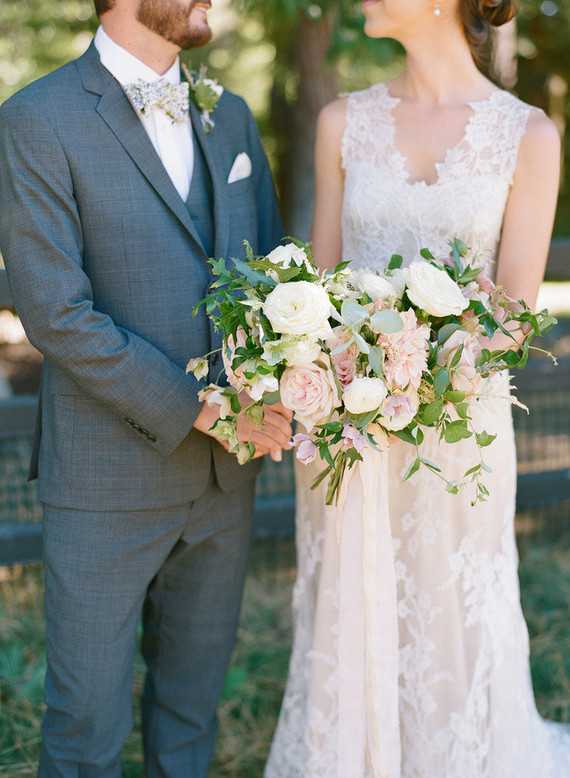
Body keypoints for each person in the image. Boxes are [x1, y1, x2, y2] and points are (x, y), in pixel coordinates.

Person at [265, 1, 570, 777]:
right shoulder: (343, 122)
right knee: (354, 607)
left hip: (458, 430)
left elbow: (513, 316)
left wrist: (418, 364)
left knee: (451, 619)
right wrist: (341, 368)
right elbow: (323, 283)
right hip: (352, 430)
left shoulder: (527, 135)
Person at [0, 1, 293, 775]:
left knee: (189, 715)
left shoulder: (227, 116)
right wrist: (202, 407)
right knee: (85, 730)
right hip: (107, 482)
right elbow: (55, 314)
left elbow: (274, 273)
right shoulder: (37, 118)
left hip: (225, 479)